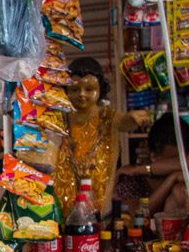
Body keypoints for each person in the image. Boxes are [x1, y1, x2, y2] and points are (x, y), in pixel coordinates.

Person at [54, 57, 151, 217]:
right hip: (61, 205)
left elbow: (125, 121)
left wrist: (133, 118)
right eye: (75, 89)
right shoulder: (57, 118)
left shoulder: (108, 117)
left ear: (100, 90)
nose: (82, 95)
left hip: (100, 206)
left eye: (89, 89)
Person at [117, 113, 189, 216]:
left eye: (181, 160)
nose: (179, 165)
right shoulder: (132, 182)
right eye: (172, 160)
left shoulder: (185, 181)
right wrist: (170, 180)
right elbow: (134, 215)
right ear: (154, 156)